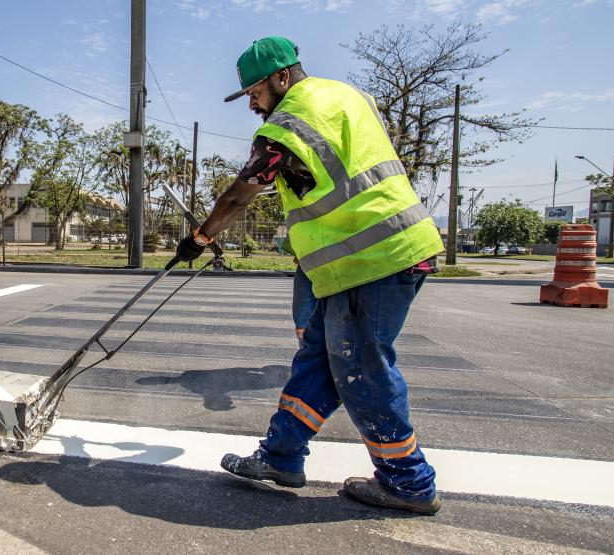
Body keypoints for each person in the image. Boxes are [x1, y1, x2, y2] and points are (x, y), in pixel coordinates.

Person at [174, 37, 443, 515]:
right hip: (379, 251)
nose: (253, 103)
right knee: (319, 357)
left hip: (373, 258)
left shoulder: (289, 124)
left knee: (361, 369)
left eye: (255, 92)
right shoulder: (346, 95)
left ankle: (409, 482)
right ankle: (281, 457)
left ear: (282, 77)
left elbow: (241, 194)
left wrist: (201, 238)